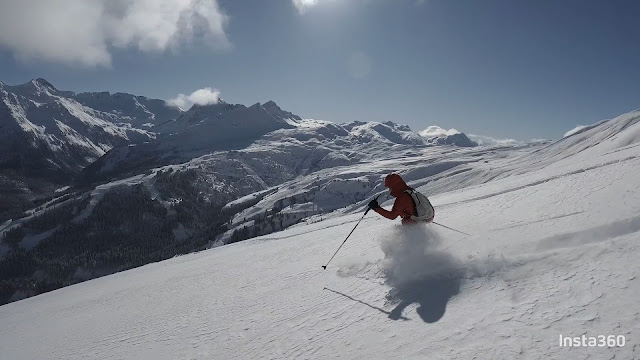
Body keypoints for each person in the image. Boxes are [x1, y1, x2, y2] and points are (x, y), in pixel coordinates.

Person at [368, 173, 434, 225]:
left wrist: (376, 208)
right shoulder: (410, 191)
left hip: (415, 221)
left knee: (405, 222)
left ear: (394, 186)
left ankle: (411, 240)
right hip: (425, 217)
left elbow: (392, 216)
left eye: (389, 187)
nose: (390, 190)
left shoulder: (402, 198)